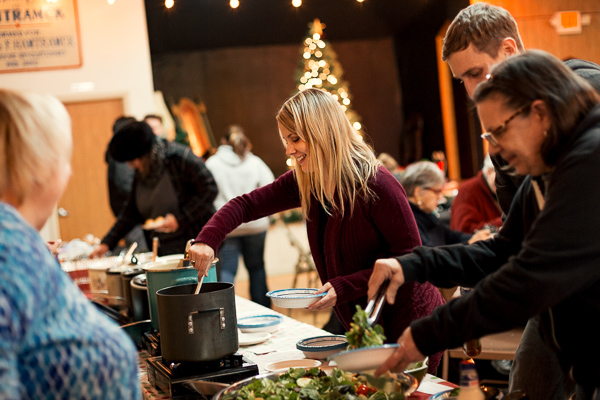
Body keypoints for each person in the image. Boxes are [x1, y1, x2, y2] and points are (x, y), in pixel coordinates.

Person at [368, 50, 600, 399]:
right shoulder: (546, 171)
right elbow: (500, 253)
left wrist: (429, 334)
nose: (496, 150)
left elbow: (527, 278)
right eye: (488, 136)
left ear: (539, 113)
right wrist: (411, 264)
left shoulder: (590, 162)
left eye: (500, 132)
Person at [189, 88, 445, 373]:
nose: (288, 150)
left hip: (409, 323)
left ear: (322, 131)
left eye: (295, 138)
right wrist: (207, 239)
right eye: (286, 140)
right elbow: (246, 205)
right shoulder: (308, 180)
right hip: (368, 326)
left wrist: (345, 286)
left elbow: (410, 258)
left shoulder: (377, 183)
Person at [441, 4, 600, 398]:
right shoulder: (499, 132)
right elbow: (520, 238)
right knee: (527, 385)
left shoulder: (585, 90)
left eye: (476, 72)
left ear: (510, 50)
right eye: (462, 79)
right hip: (553, 288)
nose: (471, 90)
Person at [0, 89, 141, 398]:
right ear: (40, 168)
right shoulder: (6, 252)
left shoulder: (18, 242)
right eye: (65, 159)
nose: (70, 171)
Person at [91, 120, 218, 257]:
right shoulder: (143, 171)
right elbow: (131, 212)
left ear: (146, 154)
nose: (131, 167)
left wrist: (180, 219)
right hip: (165, 247)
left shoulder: (180, 158)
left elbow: (210, 189)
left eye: (132, 161)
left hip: (198, 244)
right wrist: (107, 243)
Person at [206, 125, 275, 308]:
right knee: (257, 268)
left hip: (228, 227)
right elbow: (270, 186)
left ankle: (225, 309)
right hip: (256, 226)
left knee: (227, 270)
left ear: (223, 142)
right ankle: (264, 310)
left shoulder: (213, 163)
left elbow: (206, 192)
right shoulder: (254, 162)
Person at [401, 161, 492, 248]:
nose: (441, 197)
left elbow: (452, 236)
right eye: (437, 192)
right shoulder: (409, 223)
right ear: (418, 192)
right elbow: (431, 255)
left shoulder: (426, 216)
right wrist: (469, 243)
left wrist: (477, 237)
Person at [106, 115, 148, 252]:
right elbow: (125, 184)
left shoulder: (118, 152)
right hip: (132, 219)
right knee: (141, 253)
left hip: (128, 215)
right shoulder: (123, 153)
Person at [449, 154, 502, 234]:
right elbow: (463, 230)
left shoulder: (499, 189)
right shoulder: (468, 190)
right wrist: (505, 222)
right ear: (489, 172)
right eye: (503, 176)